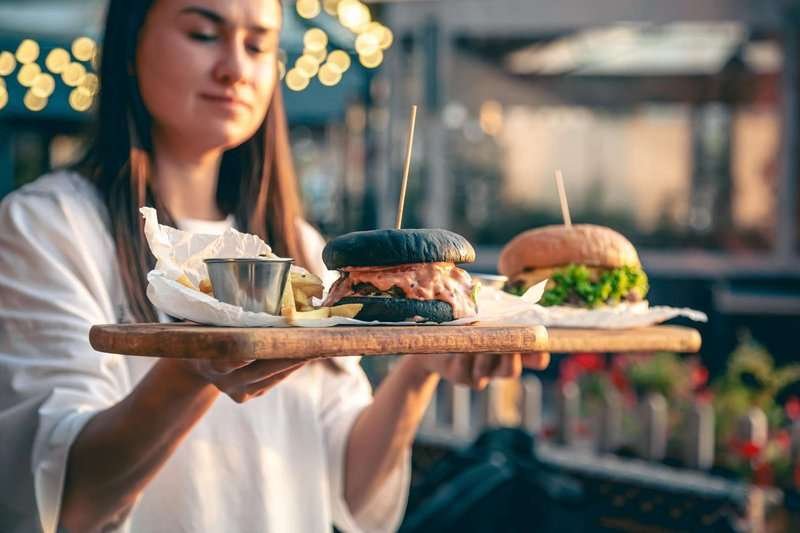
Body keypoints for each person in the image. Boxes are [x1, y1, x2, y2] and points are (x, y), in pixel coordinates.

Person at [0, 1, 549, 532]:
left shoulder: (300, 248)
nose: (236, 68)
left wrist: (419, 367)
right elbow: (63, 501)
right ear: (127, 47)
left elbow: (352, 490)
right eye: (202, 34)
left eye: (259, 44)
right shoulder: (46, 227)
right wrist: (193, 367)